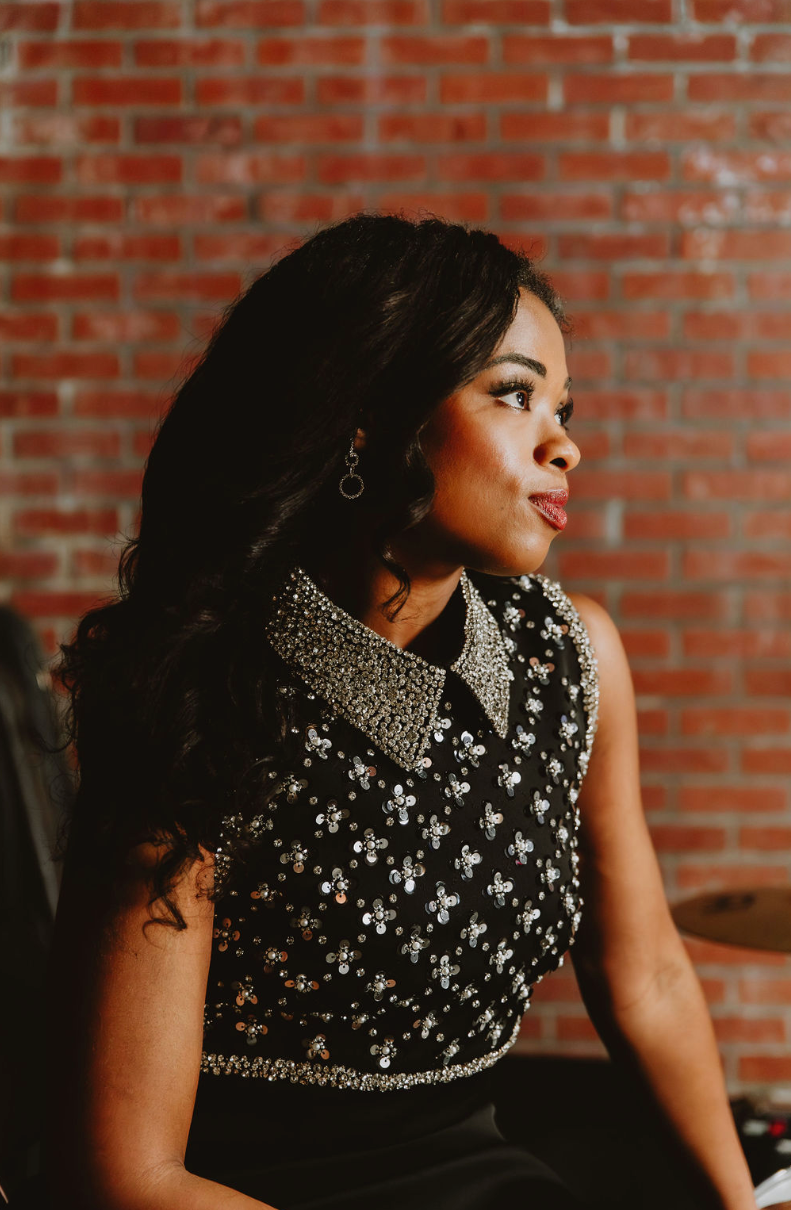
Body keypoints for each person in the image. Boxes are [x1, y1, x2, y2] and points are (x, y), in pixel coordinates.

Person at [40, 213, 757, 1210]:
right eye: (515, 394)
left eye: (563, 407)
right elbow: (126, 1176)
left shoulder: (569, 654)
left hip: (485, 1180)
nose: (565, 444)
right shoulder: (206, 692)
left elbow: (645, 977)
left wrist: (742, 1204)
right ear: (371, 415)